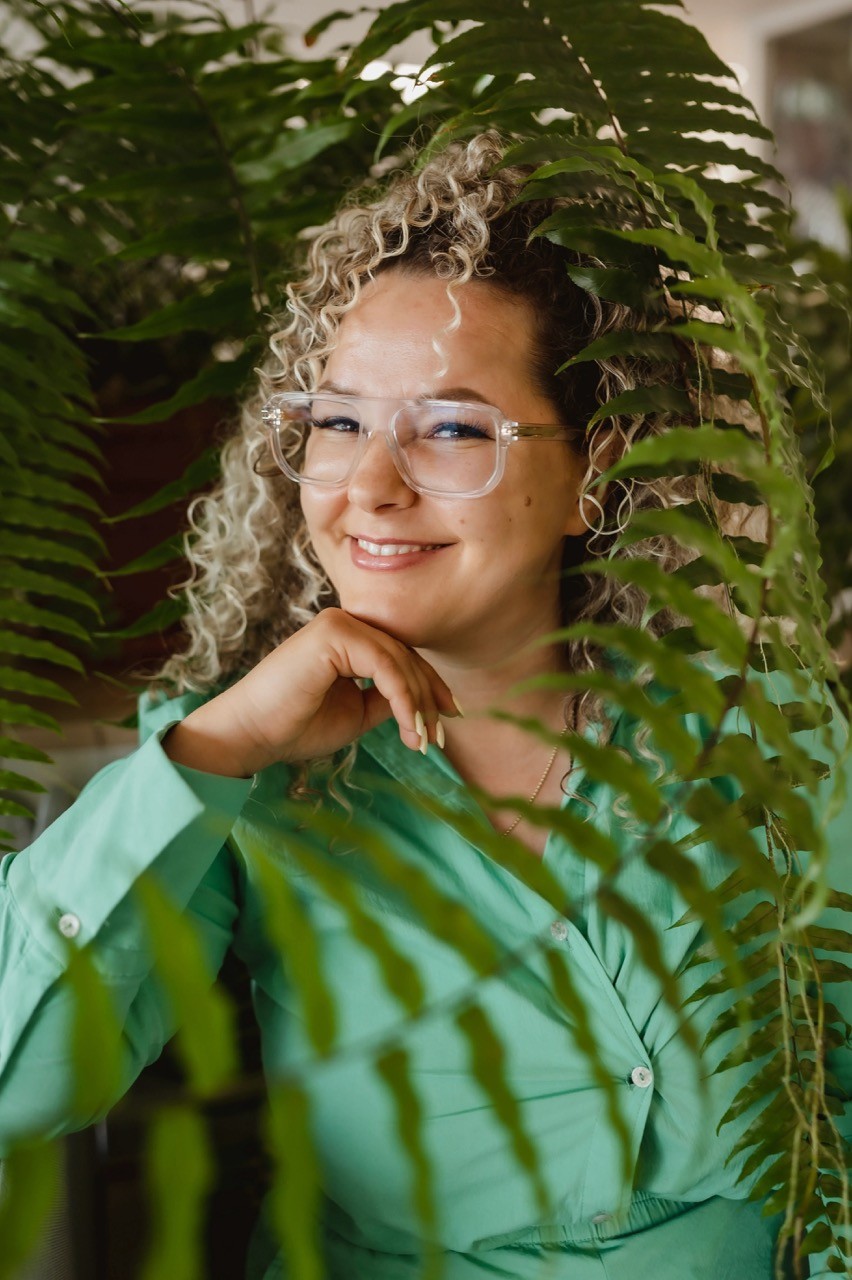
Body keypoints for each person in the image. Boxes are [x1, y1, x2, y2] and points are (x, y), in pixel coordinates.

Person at [0, 133, 849, 1280]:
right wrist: (221, 746)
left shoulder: (755, 714)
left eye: (452, 429)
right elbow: (25, 1079)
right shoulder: (238, 771)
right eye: (340, 422)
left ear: (596, 472)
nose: (370, 486)